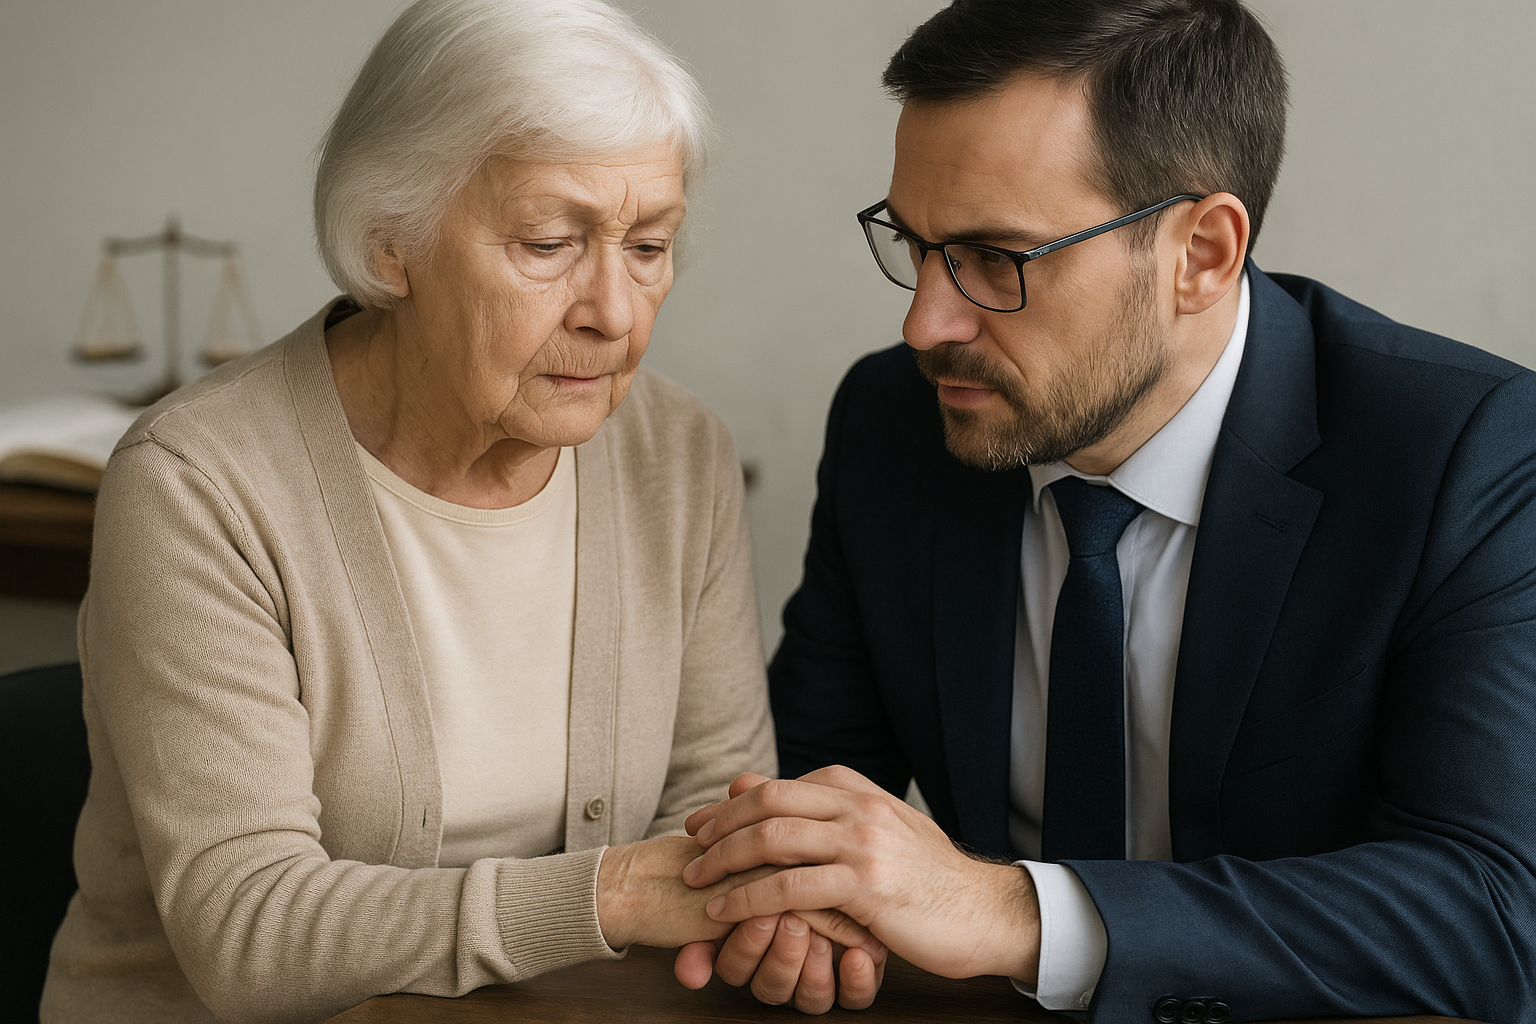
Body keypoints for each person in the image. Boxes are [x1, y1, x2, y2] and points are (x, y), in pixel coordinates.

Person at [680, 1, 1536, 1022]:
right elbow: (810, 789)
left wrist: (1010, 913)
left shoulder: (1465, 455)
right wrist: (794, 905)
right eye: (915, 244)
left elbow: (1495, 911)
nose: (924, 323)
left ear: (1202, 253)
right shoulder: (892, 425)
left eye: (996, 258)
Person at [39, 2, 873, 1020]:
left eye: (649, 246)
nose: (614, 312)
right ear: (392, 244)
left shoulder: (678, 453)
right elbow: (251, 930)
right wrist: (610, 896)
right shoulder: (196, 484)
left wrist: (767, 910)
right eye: (548, 243)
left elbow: (711, 809)